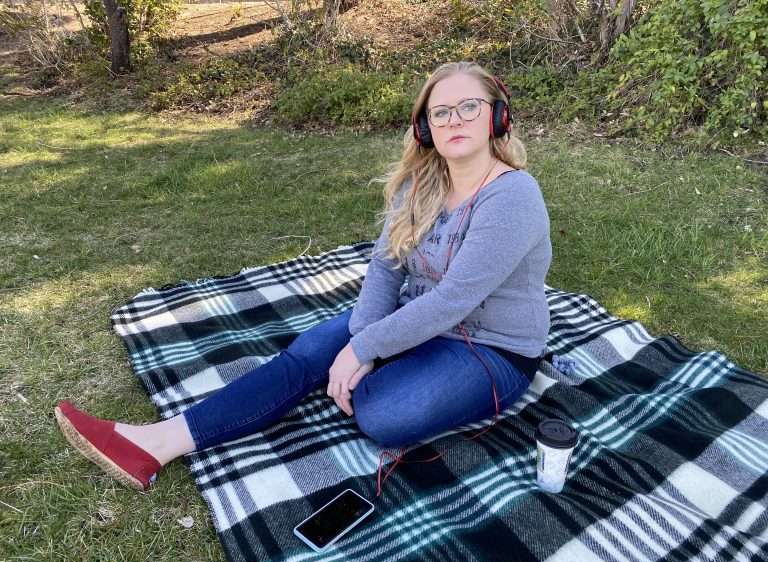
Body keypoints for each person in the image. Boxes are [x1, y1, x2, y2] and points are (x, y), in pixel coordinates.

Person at [54, 60, 552, 491]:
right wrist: (360, 337)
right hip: (419, 319)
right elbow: (384, 266)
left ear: (497, 116)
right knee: (307, 356)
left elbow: (452, 302)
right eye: (440, 112)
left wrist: (362, 351)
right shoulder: (421, 183)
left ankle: (377, 369)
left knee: (381, 411)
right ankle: (155, 443)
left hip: (492, 349)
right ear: (425, 128)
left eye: (469, 107)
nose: (454, 120)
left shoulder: (513, 196)